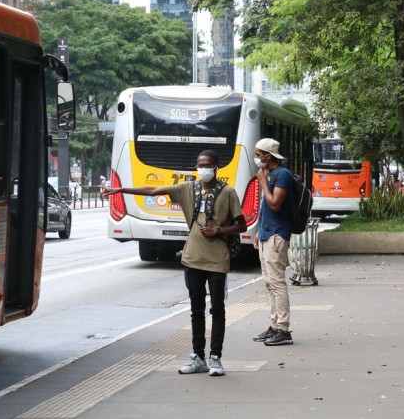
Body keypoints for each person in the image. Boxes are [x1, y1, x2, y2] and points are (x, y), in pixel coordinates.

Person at [102, 150, 246, 376]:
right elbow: (151, 190)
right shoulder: (188, 188)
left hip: (217, 260)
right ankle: (198, 357)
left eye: (207, 165)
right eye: (200, 165)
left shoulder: (228, 193)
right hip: (192, 259)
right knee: (196, 311)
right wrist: (120, 190)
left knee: (217, 310)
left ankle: (215, 358)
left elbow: (242, 225)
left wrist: (218, 230)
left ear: (216, 167)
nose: (203, 169)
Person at [251, 138, 296, 346]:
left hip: (277, 234)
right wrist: (258, 232)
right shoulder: (268, 174)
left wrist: (262, 182)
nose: (256, 158)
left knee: (277, 283)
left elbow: (275, 205)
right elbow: (264, 208)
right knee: (269, 284)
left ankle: (284, 329)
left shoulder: (282, 175)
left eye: (258, 154)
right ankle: (275, 325)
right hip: (266, 233)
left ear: (268, 156)